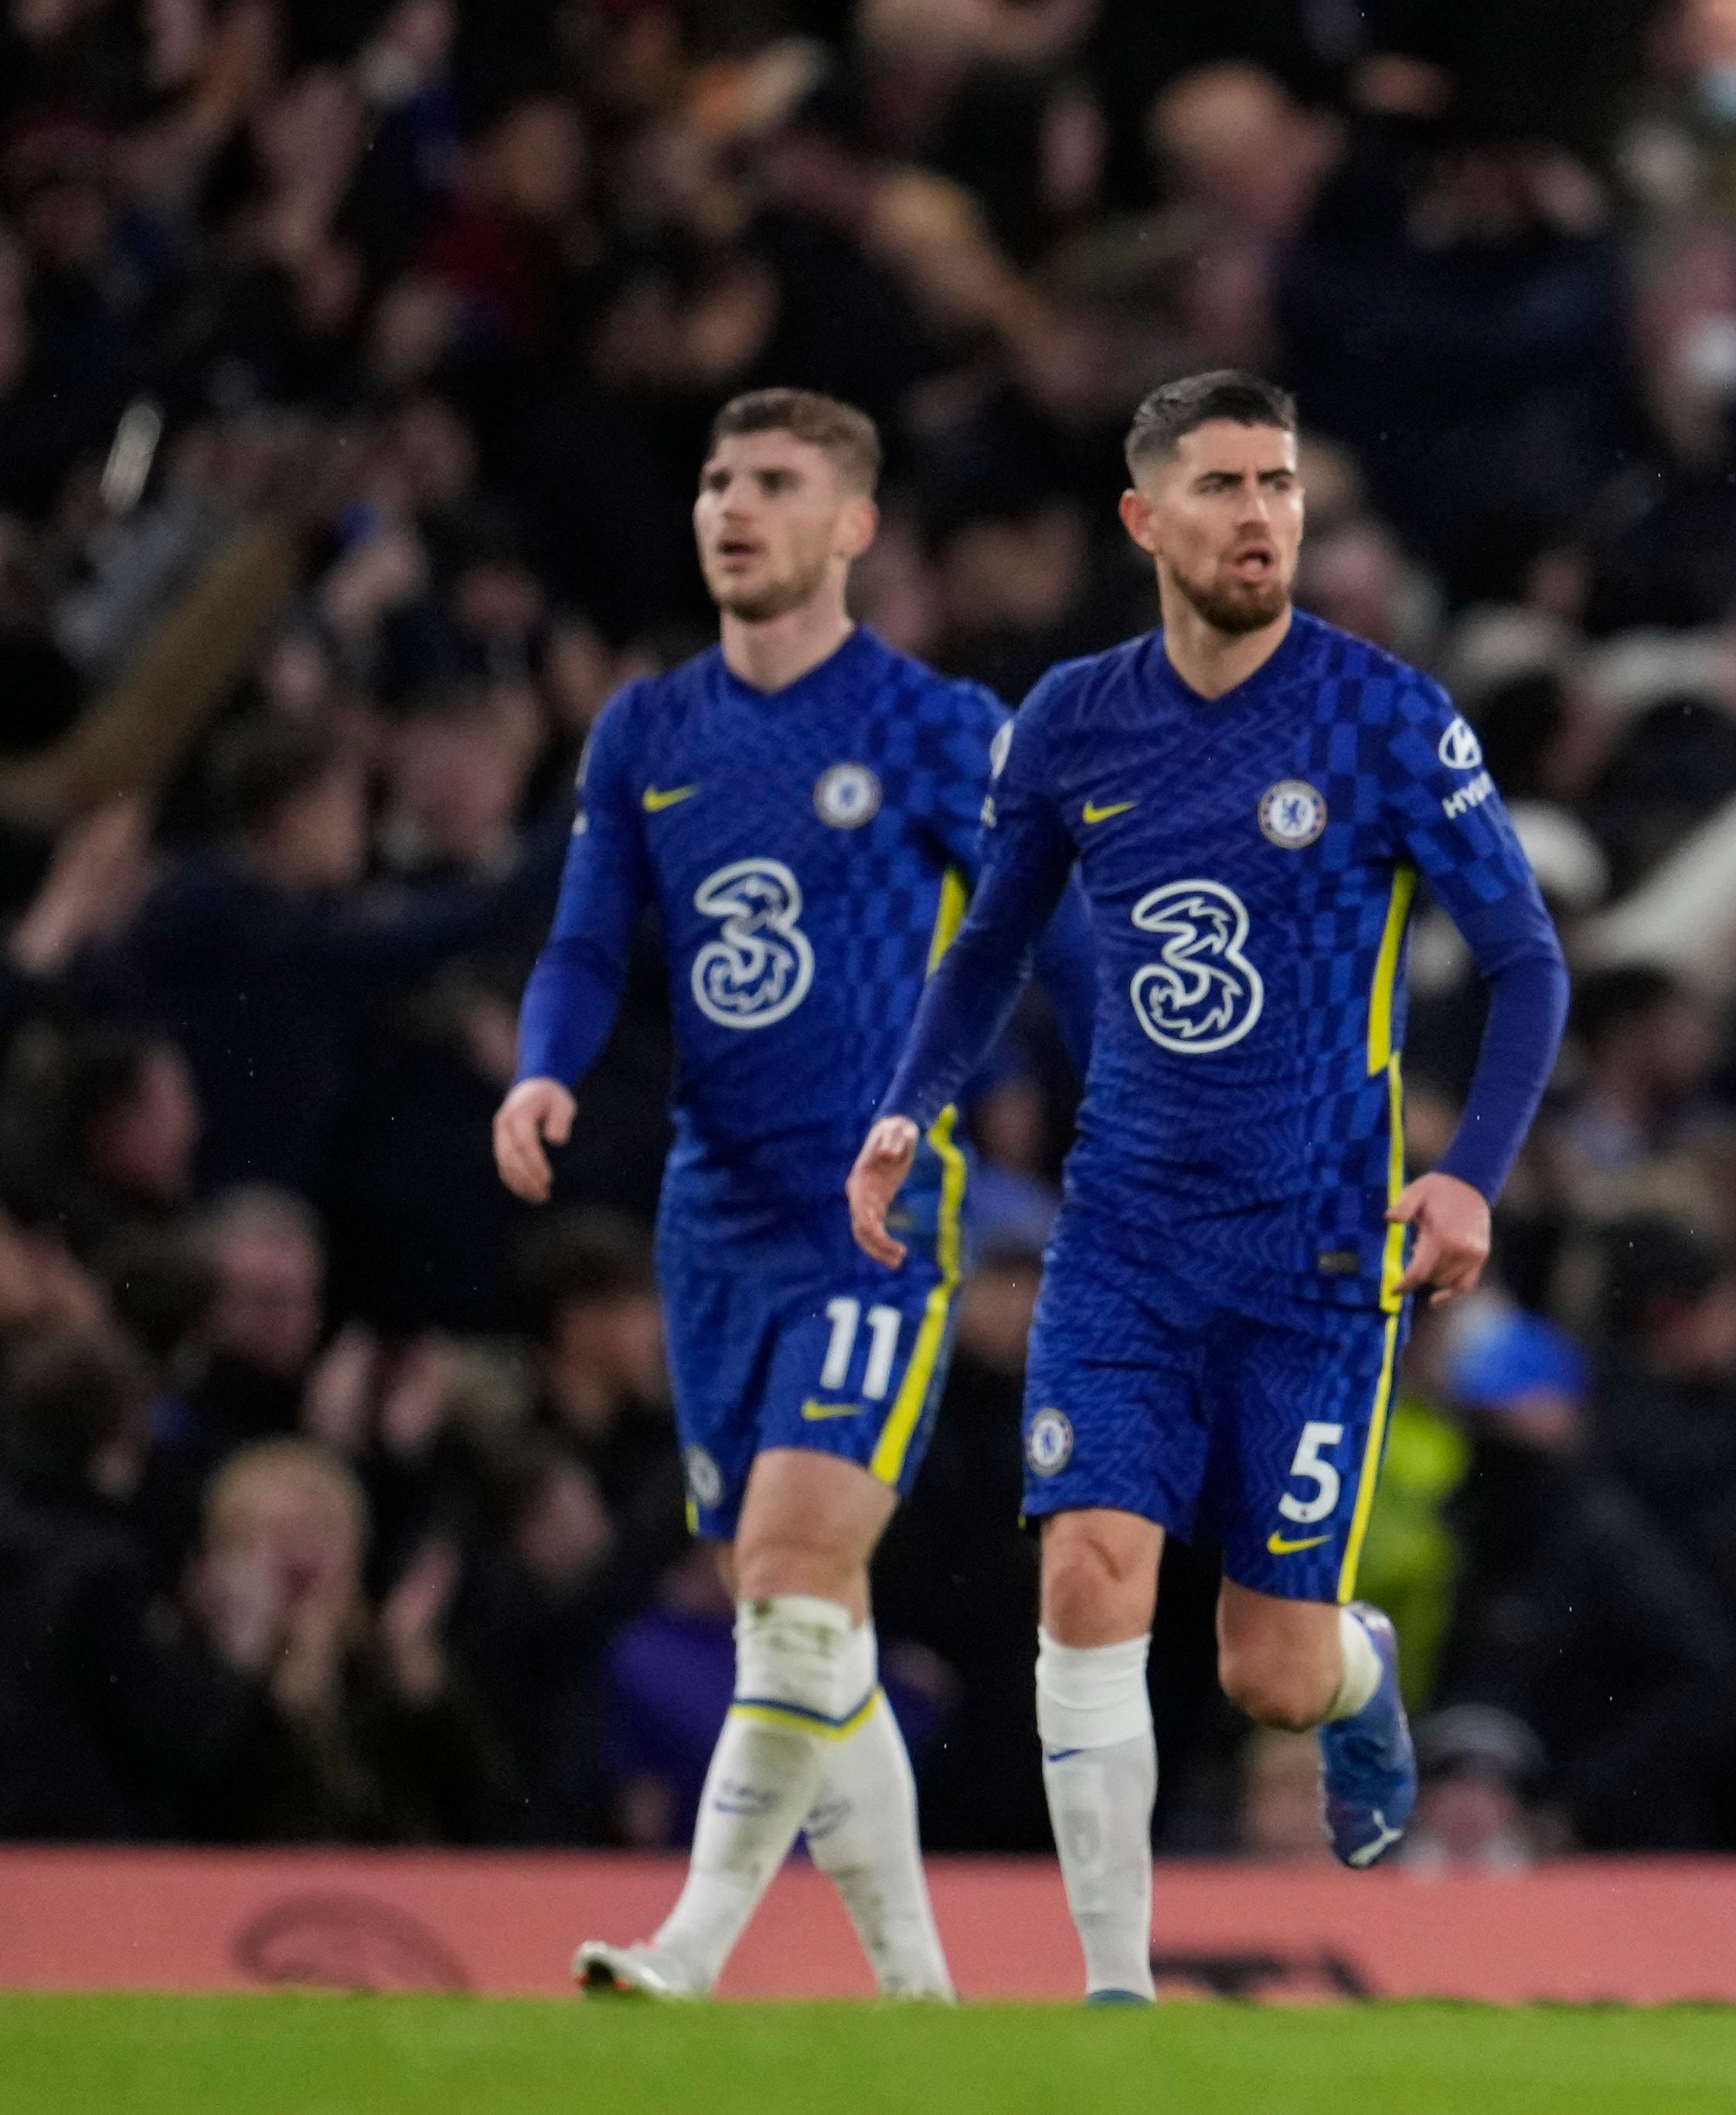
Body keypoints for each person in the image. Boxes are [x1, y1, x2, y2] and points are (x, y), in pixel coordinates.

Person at [852, 370, 1568, 2004]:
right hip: (1124, 1240)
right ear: (1145, 518)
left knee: (1271, 1667)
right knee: (1091, 1570)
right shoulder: (1072, 722)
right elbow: (990, 943)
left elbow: (1528, 961)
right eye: (1226, 486)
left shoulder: (1386, 718)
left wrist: (1465, 1180)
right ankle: (1116, 1993)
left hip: (1319, 1258)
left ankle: (1358, 1667)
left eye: (1281, 484)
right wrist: (907, 1107)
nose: (1261, 516)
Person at [494, 387, 1083, 2002]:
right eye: (713, 479)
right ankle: (916, 1992)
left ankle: (689, 1946)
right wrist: (546, 1064)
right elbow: (588, 939)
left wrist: (1140, 1124)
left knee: (790, 1568)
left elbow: (1065, 938)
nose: (730, 506)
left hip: (874, 1211)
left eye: (771, 482)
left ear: (852, 526)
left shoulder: (941, 727)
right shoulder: (646, 732)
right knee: (812, 1614)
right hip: (713, 1217)